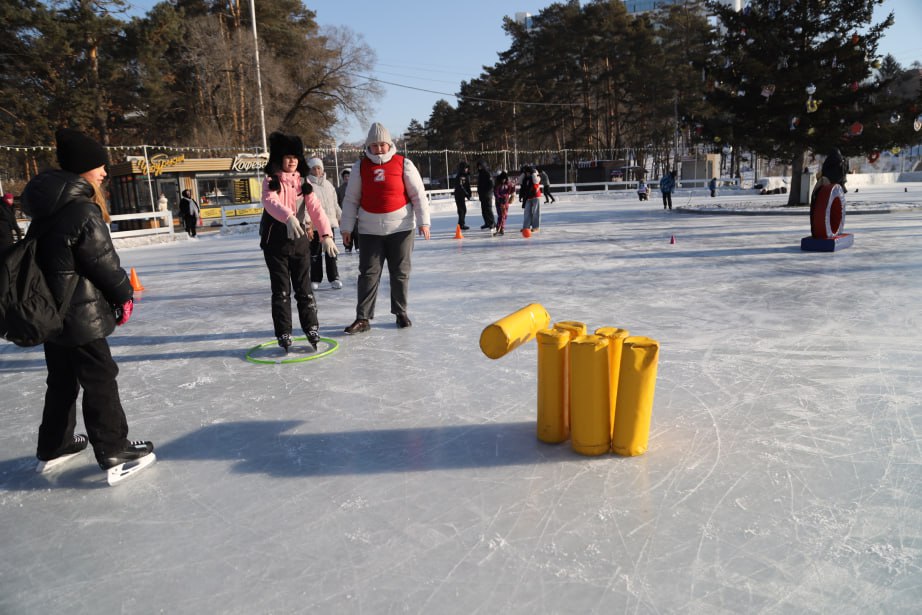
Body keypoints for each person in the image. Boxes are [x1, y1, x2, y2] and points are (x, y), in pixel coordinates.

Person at [20, 128, 154, 476]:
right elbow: (104, 263)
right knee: (100, 376)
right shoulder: (82, 210)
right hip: (82, 313)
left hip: (52, 310)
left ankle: (54, 443)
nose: (105, 172)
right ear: (83, 169)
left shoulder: (46, 208)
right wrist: (124, 295)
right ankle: (113, 447)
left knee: (62, 379)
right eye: (99, 166)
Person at [340, 122, 431, 334]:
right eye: (374, 145)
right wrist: (347, 227)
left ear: (389, 144)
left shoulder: (403, 163)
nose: (379, 148)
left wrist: (424, 221)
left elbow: (418, 195)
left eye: (382, 144)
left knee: (400, 272)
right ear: (368, 146)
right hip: (369, 229)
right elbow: (351, 199)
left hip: (401, 228)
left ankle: (400, 312)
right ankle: (363, 318)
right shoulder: (359, 167)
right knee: (368, 274)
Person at [259, 132, 337, 351]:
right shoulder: (270, 181)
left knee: (304, 289)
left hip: (299, 242)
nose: (292, 160)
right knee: (281, 290)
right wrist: (288, 216)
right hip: (275, 243)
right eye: (287, 156)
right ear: (278, 159)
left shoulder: (304, 184)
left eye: (295, 157)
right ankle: (284, 332)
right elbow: (270, 202)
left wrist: (326, 236)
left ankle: (311, 327)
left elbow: (317, 210)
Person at [306, 157, 342, 290]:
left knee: (331, 252)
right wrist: (308, 223)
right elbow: (306, 206)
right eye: (314, 168)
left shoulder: (328, 185)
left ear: (322, 169)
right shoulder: (307, 185)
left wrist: (340, 216)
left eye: (319, 168)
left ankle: (334, 277)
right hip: (315, 225)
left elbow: (335, 203)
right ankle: (315, 278)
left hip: (329, 224)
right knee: (315, 253)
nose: (317, 170)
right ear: (310, 170)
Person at [336, 168, 358, 253]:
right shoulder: (339, 189)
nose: (347, 178)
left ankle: (358, 246)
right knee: (347, 231)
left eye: (348, 176)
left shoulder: (356, 187)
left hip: (356, 213)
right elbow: (337, 201)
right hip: (344, 214)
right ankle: (347, 246)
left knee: (356, 231)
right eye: (345, 176)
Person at [520, 167, 543, 232]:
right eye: (526, 172)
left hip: (536, 196)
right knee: (527, 212)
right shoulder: (525, 179)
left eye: (528, 172)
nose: (527, 174)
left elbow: (535, 181)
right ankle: (526, 227)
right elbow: (519, 181)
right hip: (528, 197)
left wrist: (534, 173)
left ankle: (536, 227)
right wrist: (523, 174)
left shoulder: (537, 177)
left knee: (536, 212)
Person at [493, 171, 515, 236]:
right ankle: (498, 227)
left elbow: (511, 190)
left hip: (506, 202)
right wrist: (500, 199)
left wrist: (513, 192)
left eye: (504, 179)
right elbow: (496, 193)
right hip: (499, 202)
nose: (503, 180)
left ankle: (502, 227)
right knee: (501, 215)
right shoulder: (497, 184)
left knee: (504, 215)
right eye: (502, 179)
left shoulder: (508, 184)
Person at [476, 160, 495, 232]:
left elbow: (491, 184)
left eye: (480, 166)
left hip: (487, 195)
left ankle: (492, 223)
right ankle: (487, 223)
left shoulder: (487, 173)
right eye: (478, 166)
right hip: (482, 195)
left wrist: (487, 192)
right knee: (484, 210)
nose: (479, 167)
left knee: (488, 209)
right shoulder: (480, 174)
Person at [453, 161, 472, 230]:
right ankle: (461, 224)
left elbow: (467, 186)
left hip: (462, 195)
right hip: (458, 195)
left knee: (463, 210)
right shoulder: (460, 176)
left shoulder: (466, 176)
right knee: (462, 210)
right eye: (465, 168)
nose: (466, 169)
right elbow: (460, 186)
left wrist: (469, 193)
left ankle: (461, 224)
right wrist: (466, 194)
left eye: (467, 168)